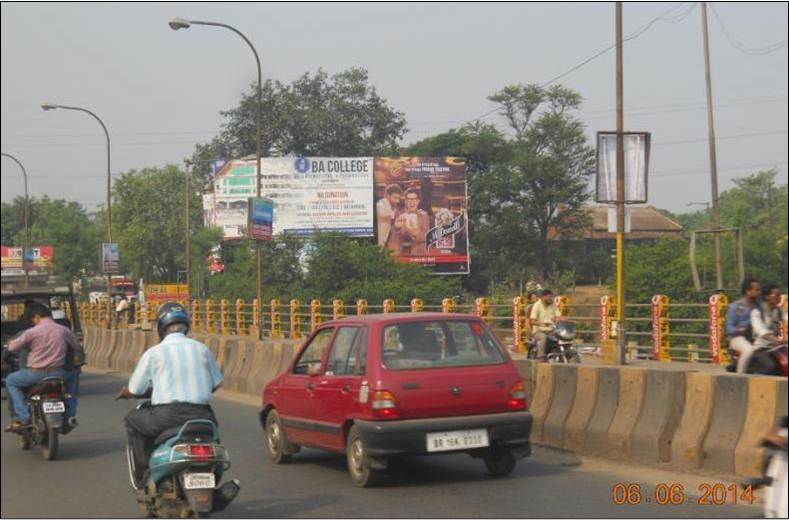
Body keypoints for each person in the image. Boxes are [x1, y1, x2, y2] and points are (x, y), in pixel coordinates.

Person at [118, 302, 223, 489]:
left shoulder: (154, 353)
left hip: (167, 417)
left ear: (161, 327)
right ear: (186, 325)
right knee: (213, 437)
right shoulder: (202, 349)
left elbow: (135, 389)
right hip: (203, 415)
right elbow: (216, 384)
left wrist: (126, 393)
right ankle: (215, 474)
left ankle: (143, 477)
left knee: (132, 420)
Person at [4, 303, 75, 432]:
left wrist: (9, 344)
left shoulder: (31, 332)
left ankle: (23, 416)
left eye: (33, 319)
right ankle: (70, 415)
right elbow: (77, 347)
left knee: (10, 381)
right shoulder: (64, 330)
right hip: (59, 373)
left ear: (36, 317)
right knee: (72, 381)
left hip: (35, 374)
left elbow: (12, 347)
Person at [726, 277, 761, 373]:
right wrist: (739, 330)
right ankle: (740, 376)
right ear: (748, 291)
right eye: (756, 290)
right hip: (738, 338)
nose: (758, 292)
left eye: (759, 290)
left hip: (756, 338)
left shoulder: (760, 306)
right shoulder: (736, 306)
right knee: (748, 350)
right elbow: (729, 327)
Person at [392, 188, 430, 256]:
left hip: (417, 254)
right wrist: (396, 228)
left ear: (418, 201)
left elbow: (426, 236)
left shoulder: (424, 215)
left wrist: (413, 231)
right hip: (401, 253)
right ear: (405, 201)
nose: (412, 202)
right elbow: (393, 238)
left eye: (414, 199)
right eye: (409, 199)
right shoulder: (399, 215)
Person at [751, 284, 786, 354]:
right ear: (766, 296)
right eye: (777, 295)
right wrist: (773, 339)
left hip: (777, 347)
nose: (779, 297)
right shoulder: (757, 312)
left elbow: (786, 320)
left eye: (780, 295)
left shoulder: (779, 311)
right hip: (760, 347)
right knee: (770, 364)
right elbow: (760, 329)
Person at [529, 289, 562, 361]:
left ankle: (559, 353)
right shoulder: (536, 305)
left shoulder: (553, 304)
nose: (551, 299)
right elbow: (532, 321)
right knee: (543, 337)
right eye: (549, 297)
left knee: (561, 334)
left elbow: (558, 316)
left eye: (552, 297)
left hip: (551, 330)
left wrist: (565, 320)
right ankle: (540, 356)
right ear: (543, 297)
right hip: (538, 331)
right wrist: (542, 324)